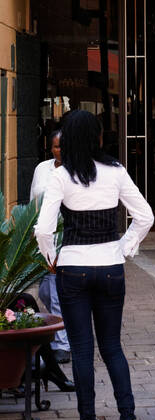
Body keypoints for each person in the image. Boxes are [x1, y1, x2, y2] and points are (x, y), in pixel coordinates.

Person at [34, 110, 154, 420]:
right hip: (112, 268)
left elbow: (43, 229)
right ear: (98, 137)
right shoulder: (116, 171)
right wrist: (124, 248)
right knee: (112, 347)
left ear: (68, 140)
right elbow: (145, 216)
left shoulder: (61, 176)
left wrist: (51, 259)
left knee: (82, 351)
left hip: (73, 269)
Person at [31, 128, 70, 363]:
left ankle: (62, 344)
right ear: (50, 147)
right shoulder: (41, 169)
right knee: (45, 291)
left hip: (64, 239)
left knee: (55, 292)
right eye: (56, 146)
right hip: (42, 238)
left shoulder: (75, 171)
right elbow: (32, 201)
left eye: (63, 146)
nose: (59, 150)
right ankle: (69, 329)